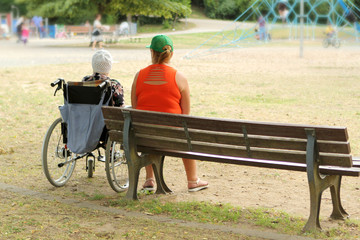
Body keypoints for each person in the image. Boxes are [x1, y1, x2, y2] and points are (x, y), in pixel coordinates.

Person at [131, 35, 209, 192]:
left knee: (147, 126)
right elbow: (185, 115)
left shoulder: (139, 75)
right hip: (173, 138)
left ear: (152, 52)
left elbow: (135, 107)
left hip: (144, 137)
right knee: (186, 133)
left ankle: (149, 179)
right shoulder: (179, 77)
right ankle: (192, 180)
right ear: (171, 53)